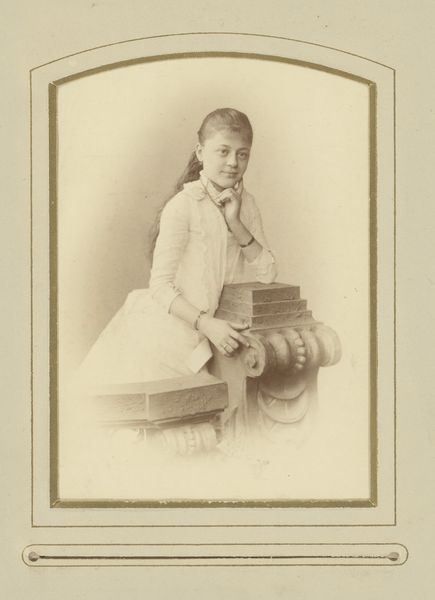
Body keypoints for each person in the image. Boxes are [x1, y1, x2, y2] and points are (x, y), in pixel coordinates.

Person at [78, 108, 277, 387]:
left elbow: (268, 273)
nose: (233, 162)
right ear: (200, 152)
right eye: (223, 151)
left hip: (221, 338)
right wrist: (206, 324)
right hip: (169, 337)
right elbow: (160, 286)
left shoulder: (248, 206)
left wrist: (235, 222)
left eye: (242, 154)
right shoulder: (183, 206)